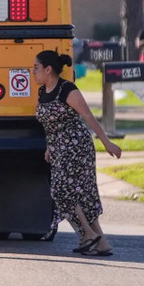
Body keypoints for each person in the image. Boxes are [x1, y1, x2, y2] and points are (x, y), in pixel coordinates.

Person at [33, 51, 122, 257]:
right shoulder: (42, 91)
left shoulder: (67, 89)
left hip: (77, 146)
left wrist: (107, 142)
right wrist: (49, 146)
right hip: (58, 148)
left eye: (36, 68)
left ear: (48, 69)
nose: (33, 72)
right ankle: (101, 243)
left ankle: (88, 234)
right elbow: (48, 125)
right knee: (79, 195)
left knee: (62, 190)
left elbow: (88, 116)